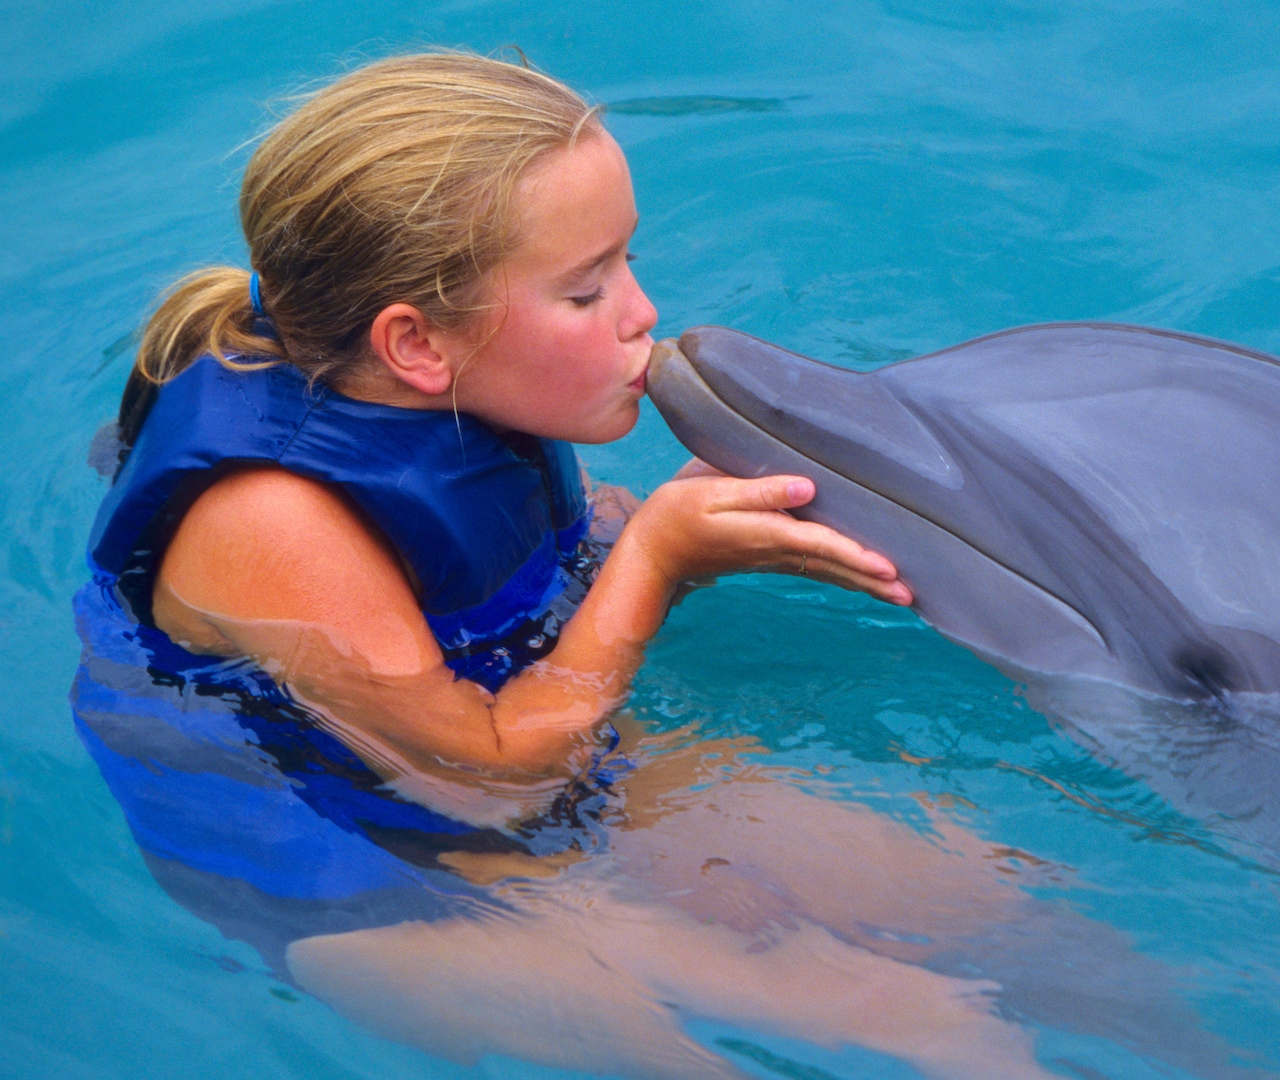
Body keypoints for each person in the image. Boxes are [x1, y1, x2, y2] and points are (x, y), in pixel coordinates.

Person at [76, 49, 1074, 1079]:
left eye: (628, 262)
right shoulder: (271, 519)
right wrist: (658, 563)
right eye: (589, 290)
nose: (641, 311)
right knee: (909, 1024)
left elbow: (521, 565)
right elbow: (480, 784)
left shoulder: (454, 388)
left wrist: (676, 526)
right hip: (351, 873)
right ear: (417, 343)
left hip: (547, 747)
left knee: (979, 895)